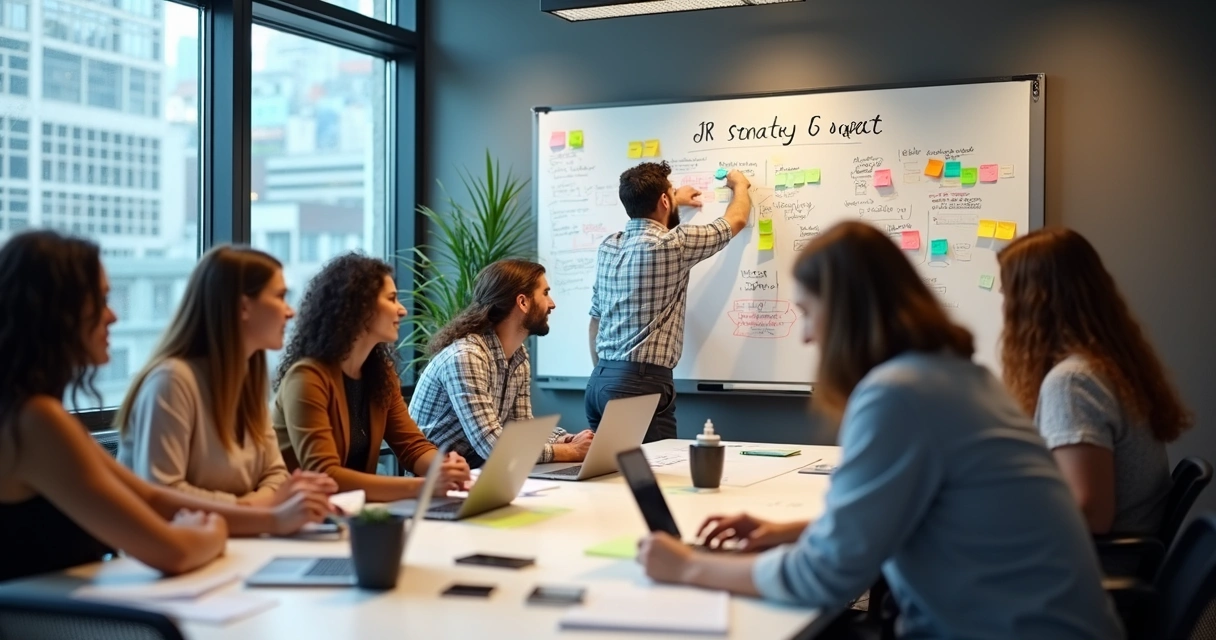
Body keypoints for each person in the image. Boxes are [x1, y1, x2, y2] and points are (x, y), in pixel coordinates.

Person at [636, 221, 1123, 639]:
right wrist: (787, 532)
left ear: (847, 314)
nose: (805, 335)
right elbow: (914, 515)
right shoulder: (956, 376)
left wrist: (688, 567)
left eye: (808, 312)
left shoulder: (899, 393)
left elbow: (825, 577)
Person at [0, 231, 329, 582]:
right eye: (101, 299)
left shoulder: (29, 414)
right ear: (58, 311)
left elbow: (153, 498)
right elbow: (175, 551)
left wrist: (270, 518)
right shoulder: (35, 421)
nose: (112, 316)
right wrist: (219, 527)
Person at [998, 227, 1191, 535]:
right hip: (1119, 558)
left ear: (1032, 305)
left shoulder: (1073, 382)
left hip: (1093, 567)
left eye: (1007, 296)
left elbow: (1090, 515)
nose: (1004, 309)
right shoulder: (1108, 367)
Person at [117, 246, 335, 505]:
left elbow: (275, 474)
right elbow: (164, 494)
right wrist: (255, 509)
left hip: (239, 538)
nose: (291, 311)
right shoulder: (171, 381)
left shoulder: (249, 378)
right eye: (280, 296)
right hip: (177, 543)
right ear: (244, 306)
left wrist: (255, 510)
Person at [273, 253, 470, 501]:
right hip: (303, 517)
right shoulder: (307, 378)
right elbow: (325, 475)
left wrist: (444, 468)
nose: (402, 310)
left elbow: (412, 446)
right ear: (360, 308)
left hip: (357, 513)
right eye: (392, 299)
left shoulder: (380, 373)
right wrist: (425, 486)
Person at [586, 162, 751, 441]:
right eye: (671, 194)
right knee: (654, 472)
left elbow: (595, 320)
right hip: (641, 385)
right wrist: (740, 186)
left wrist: (673, 202)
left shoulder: (609, 246)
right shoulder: (675, 244)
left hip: (600, 381)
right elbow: (735, 220)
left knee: (610, 476)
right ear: (664, 200)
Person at [411, 259, 593, 468]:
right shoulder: (466, 356)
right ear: (523, 302)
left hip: (479, 471)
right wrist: (569, 452)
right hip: (437, 480)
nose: (552, 303)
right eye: (545, 293)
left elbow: (521, 428)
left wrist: (568, 439)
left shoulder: (518, 356)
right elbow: (491, 444)